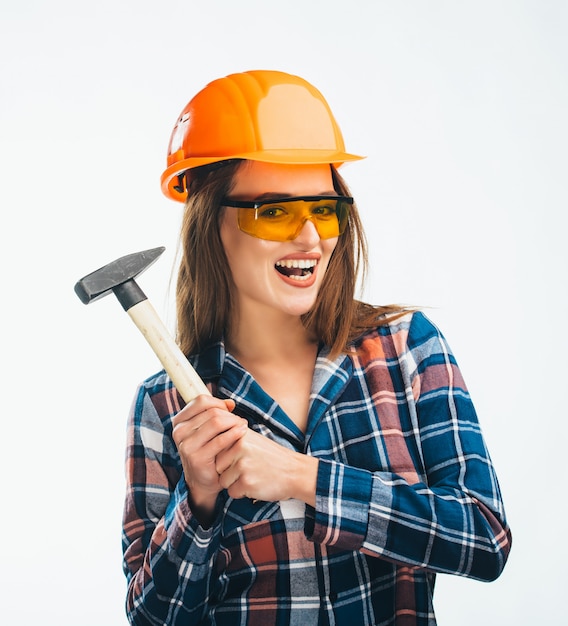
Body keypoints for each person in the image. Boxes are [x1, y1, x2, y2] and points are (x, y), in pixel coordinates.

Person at [122, 70, 511, 626]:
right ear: (211, 225)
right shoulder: (165, 407)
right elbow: (150, 618)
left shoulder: (407, 350)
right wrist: (200, 501)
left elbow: (484, 540)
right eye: (275, 212)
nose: (310, 238)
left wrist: (304, 478)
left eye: (323, 209)